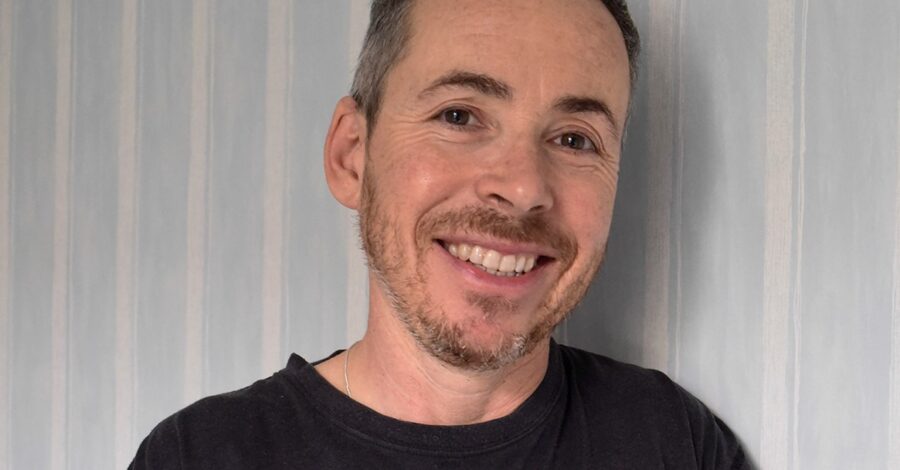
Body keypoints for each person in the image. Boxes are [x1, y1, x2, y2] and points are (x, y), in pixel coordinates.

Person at [131, 0, 748, 468]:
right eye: (460, 115)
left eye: (574, 139)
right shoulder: (201, 455)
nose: (524, 186)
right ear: (353, 155)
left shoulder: (673, 440)